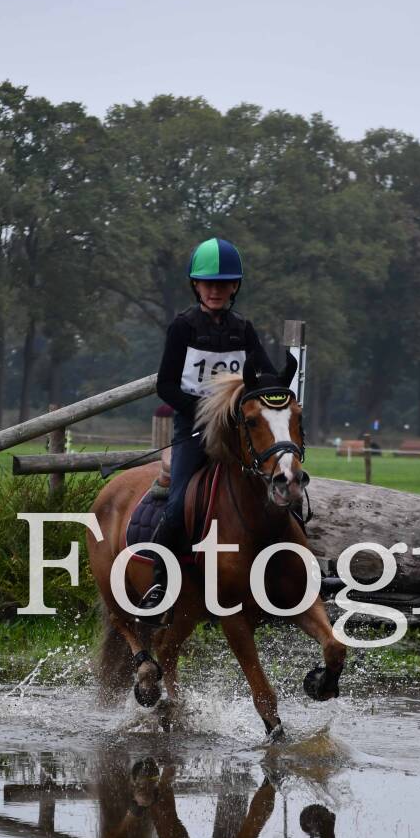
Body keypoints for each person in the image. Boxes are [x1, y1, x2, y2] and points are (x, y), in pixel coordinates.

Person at [137, 237, 274, 622]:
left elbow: (263, 374)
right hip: (195, 430)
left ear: (235, 287)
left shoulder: (244, 331)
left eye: (223, 283)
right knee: (179, 503)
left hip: (236, 433)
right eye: (208, 283)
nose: (215, 290)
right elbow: (165, 386)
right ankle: (160, 583)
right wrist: (206, 411)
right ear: (196, 286)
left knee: (278, 490)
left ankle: (281, 573)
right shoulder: (182, 328)